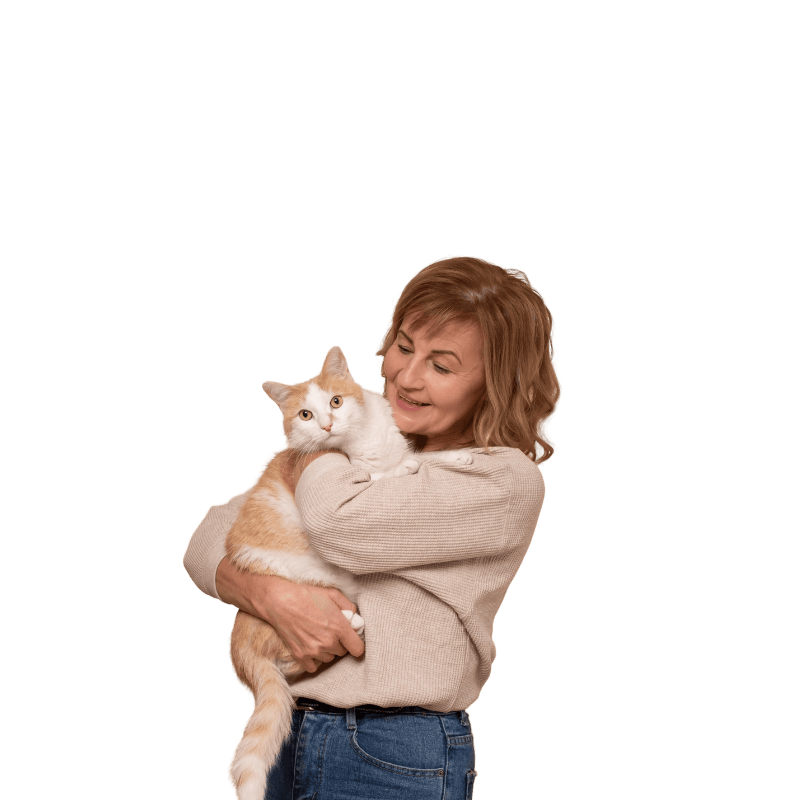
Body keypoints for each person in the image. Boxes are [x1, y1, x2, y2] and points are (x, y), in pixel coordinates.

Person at [183, 254, 562, 799]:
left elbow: (339, 526)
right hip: (290, 730)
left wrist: (315, 448)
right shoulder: (355, 435)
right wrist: (271, 597)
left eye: (442, 366)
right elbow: (205, 539)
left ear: (495, 384)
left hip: (393, 751)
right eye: (404, 347)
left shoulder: (502, 480)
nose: (406, 377)